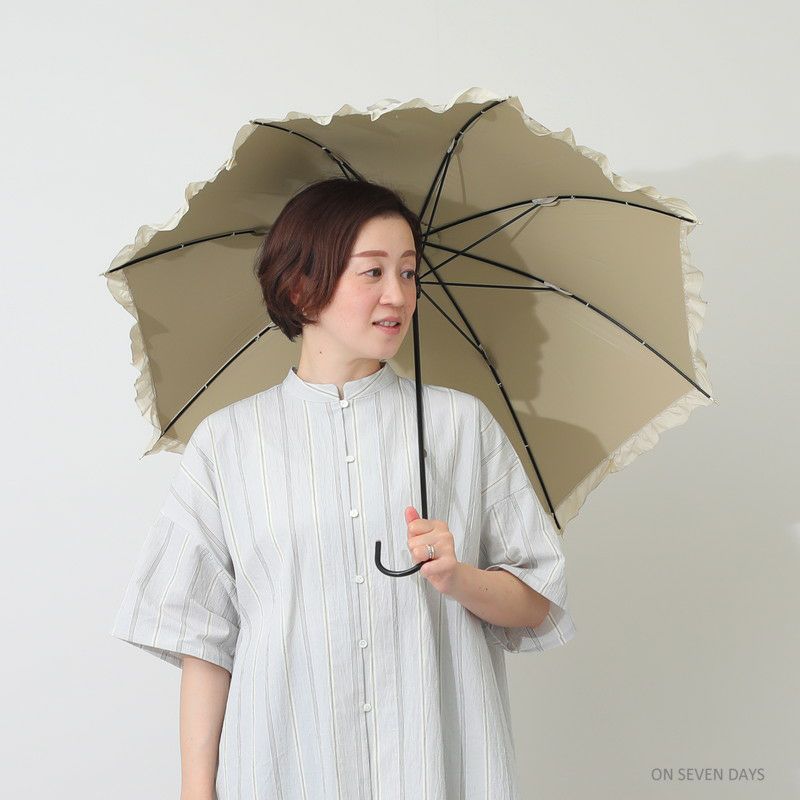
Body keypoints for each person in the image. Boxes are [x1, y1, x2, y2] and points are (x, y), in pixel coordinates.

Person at [110, 177, 576, 800]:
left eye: (409, 272)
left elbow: (538, 601)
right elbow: (204, 637)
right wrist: (198, 790)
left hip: (435, 768)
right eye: (373, 272)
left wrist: (459, 578)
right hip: (282, 769)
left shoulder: (459, 425)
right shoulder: (228, 441)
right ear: (301, 287)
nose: (399, 295)